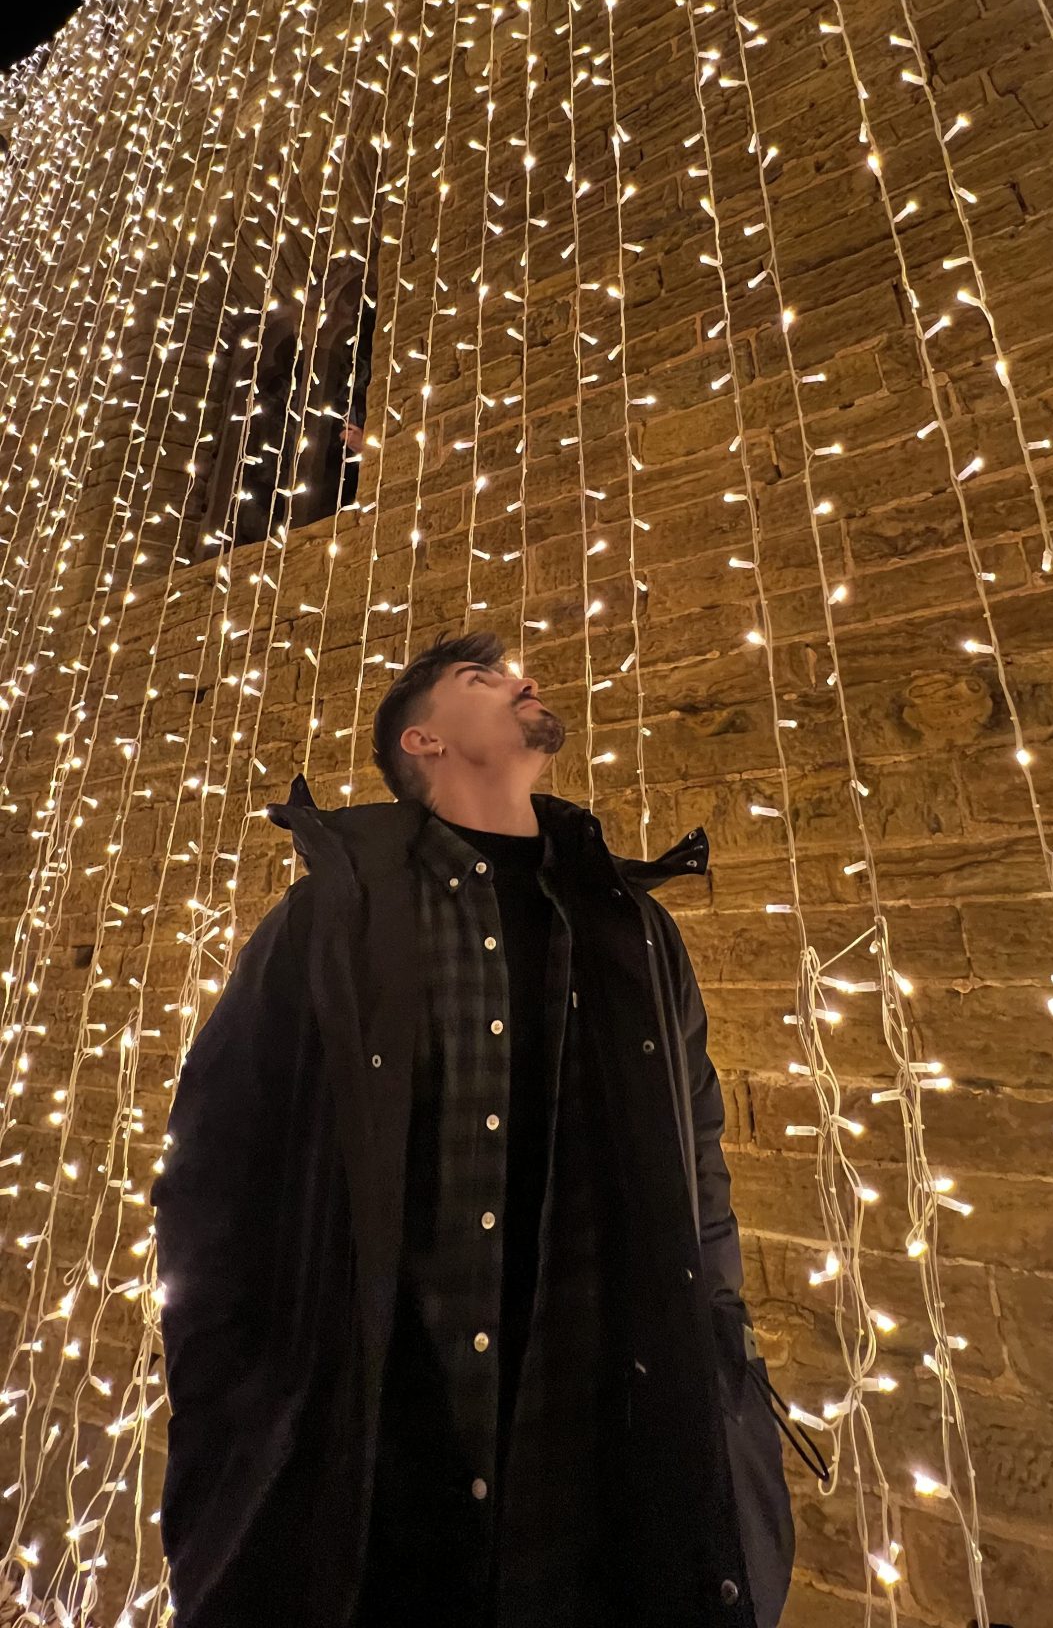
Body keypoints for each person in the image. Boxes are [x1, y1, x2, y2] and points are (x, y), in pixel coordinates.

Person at [152, 629, 794, 1628]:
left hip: (597, 1482)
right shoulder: (331, 919)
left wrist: (719, 1330)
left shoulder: (633, 927)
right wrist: (238, 1382)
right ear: (424, 741)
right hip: (382, 1484)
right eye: (480, 676)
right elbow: (213, 1170)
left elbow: (696, 1148)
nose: (521, 676)